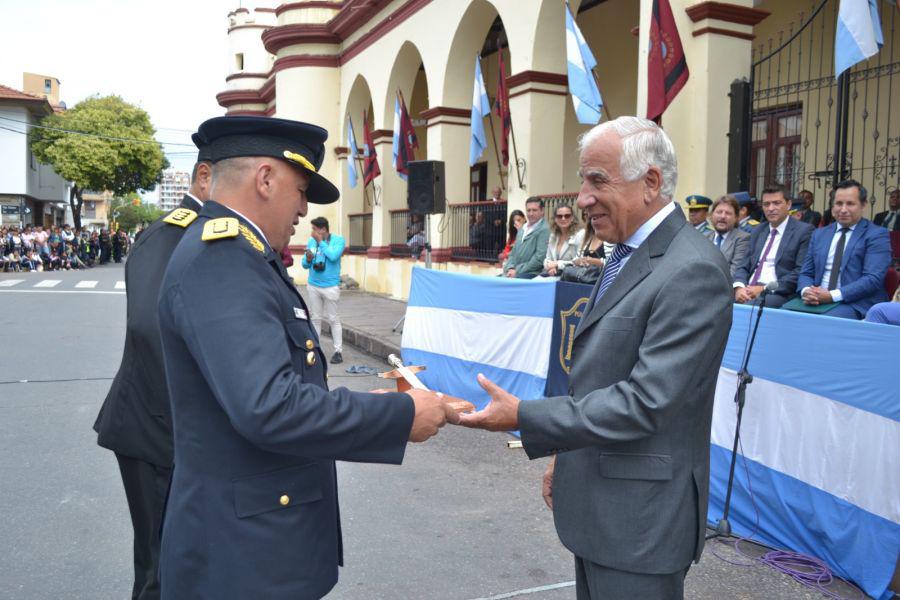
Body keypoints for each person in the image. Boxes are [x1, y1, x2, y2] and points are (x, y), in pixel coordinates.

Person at [156, 116, 457, 599]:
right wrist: (400, 415)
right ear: (266, 179)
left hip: (257, 536)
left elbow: (274, 386)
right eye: (300, 190)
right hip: (245, 556)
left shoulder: (241, 254)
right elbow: (270, 407)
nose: (302, 208)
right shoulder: (225, 260)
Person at [459, 116, 733, 600]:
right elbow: (600, 376)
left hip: (640, 524)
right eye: (584, 180)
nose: (582, 198)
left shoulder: (691, 270)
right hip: (603, 507)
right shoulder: (629, 252)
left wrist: (524, 416)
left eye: (597, 181)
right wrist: (566, 458)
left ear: (651, 182)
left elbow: (647, 401)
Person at [92, 135, 213, 600]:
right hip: (159, 433)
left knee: (190, 564)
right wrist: (190, 434)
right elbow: (150, 331)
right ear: (205, 178)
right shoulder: (171, 234)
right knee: (161, 571)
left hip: (176, 432)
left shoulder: (208, 232)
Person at [797, 179, 891, 319]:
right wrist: (806, 291)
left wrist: (832, 296)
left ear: (863, 205)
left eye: (850, 204)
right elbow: (806, 272)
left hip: (855, 302)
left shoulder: (876, 235)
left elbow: (872, 279)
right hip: (816, 299)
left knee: (822, 322)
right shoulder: (819, 234)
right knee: (783, 318)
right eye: (839, 203)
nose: (843, 209)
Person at [733, 184, 814, 308]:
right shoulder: (758, 230)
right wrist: (739, 287)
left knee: (752, 306)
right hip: (748, 289)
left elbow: (799, 272)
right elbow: (743, 265)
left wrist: (763, 288)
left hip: (778, 292)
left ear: (788, 205)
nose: (771, 208)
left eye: (777, 203)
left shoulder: (803, 231)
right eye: (766, 204)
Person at [301, 216, 346, 364]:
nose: (312, 232)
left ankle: (338, 351)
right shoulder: (311, 242)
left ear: (323, 229)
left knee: (333, 319)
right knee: (315, 318)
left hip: (331, 286)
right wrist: (308, 259)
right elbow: (304, 264)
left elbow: (333, 256)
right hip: (313, 284)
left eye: (314, 229)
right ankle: (315, 349)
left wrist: (320, 242)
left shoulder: (338, 240)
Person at [502, 197, 549, 279]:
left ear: (542, 211)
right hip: (514, 272)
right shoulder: (522, 228)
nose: (531, 213)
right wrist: (510, 268)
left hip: (531, 274)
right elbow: (513, 253)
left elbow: (539, 258)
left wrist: (517, 271)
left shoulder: (544, 229)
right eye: (528, 210)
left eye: (534, 210)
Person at [706, 195, 750, 278]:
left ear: (736, 218)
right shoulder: (704, 237)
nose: (722, 216)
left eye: (728, 213)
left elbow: (735, 272)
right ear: (711, 215)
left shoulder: (743, 239)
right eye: (719, 212)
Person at [541, 204, 583, 277]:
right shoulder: (553, 236)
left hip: (571, 277)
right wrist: (550, 266)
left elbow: (579, 261)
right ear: (555, 219)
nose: (563, 219)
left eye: (567, 216)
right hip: (552, 274)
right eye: (559, 216)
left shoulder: (580, 235)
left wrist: (557, 265)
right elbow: (547, 258)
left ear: (572, 218)